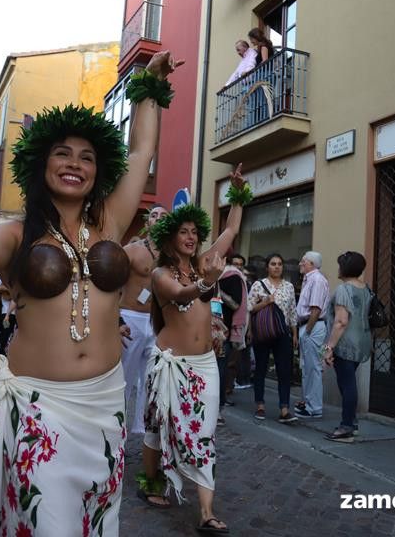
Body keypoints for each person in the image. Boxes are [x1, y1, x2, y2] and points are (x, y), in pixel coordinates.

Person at [0, 50, 181, 537]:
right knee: (46, 524)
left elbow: (141, 153)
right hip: (40, 406)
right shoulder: (15, 234)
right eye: (63, 154)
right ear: (41, 165)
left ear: (98, 171)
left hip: (104, 401)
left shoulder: (110, 220)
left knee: (94, 518)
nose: (75, 164)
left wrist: (149, 89)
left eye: (87, 157)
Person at [139, 166, 248, 535]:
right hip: (170, 363)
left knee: (204, 431)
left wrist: (237, 195)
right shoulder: (160, 274)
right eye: (183, 231)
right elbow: (181, 294)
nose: (191, 236)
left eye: (195, 232)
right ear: (170, 238)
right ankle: (151, 481)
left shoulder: (204, 263)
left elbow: (230, 230)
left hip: (204, 365)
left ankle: (205, 511)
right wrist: (206, 282)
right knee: (158, 426)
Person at [120, 203, 167, 434]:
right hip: (130, 318)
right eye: (154, 215)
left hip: (156, 321)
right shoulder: (132, 250)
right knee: (124, 379)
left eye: (163, 216)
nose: (158, 218)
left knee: (150, 379)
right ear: (147, 222)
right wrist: (116, 321)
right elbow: (111, 286)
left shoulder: (171, 255)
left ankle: (142, 429)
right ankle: (116, 427)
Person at [322, 252, 372, 443]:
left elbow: (341, 321)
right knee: (348, 382)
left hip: (345, 343)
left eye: (339, 265)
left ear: (344, 268)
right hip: (362, 342)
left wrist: (328, 347)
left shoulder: (344, 289)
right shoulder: (366, 289)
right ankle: (351, 421)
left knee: (347, 383)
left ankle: (346, 427)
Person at [247, 253, 298, 424]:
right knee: (261, 368)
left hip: (282, 332)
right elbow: (250, 308)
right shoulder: (258, 285)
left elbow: (292, 311)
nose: (277, 267)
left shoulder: (289, 287)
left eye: (279, 264)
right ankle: (260, 405)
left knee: (284, 371)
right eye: (273, 264)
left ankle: (284, 409)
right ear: (267, 267)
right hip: (263, 331)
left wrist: (294, 333)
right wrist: (266, 302)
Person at [294, 251, 329, 419]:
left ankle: (314, 407)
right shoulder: (310, 279)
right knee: (308, 368)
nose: (300, 264)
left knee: (313, 367)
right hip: (310, 326)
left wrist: (307, 331)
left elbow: (316, 309)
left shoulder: (316, 280)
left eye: (303, 261)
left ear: (312, 264)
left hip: (312, 327)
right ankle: (309, 403)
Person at [218, 256, 248, 407]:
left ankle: (219, 402)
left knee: (221, 366)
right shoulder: (215, 277)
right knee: (219, 367)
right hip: (215, 329)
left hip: (224, 330)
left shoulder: (234, 278)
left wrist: (217, 291)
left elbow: (236, 304)